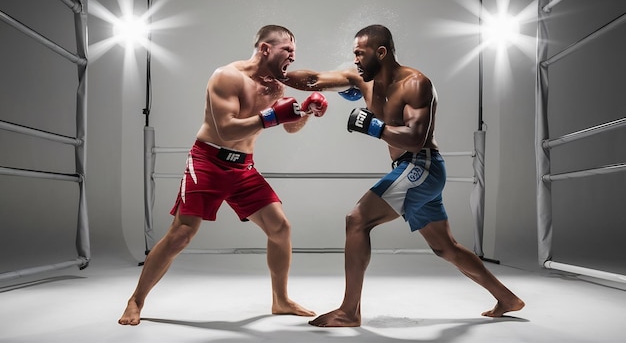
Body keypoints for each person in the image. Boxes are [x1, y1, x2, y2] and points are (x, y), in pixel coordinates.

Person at [284, 24, 524, 327]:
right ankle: (507, 298)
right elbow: (314, 79)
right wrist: (277, 73)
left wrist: (373, 127)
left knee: (357, 220)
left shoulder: (415, 84)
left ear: (380, 52)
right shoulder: (361, 80)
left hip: (421, 166)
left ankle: (348, 311)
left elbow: (415, 139)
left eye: (360, 53)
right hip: (410, 170)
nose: (355, 60)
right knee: (445, 247)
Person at [118, 25, 329, 326]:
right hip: (208, 161)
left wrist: (306, 112)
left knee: (280, 227)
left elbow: (289, 126)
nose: (292, 58)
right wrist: (271, 117)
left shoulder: (276, 88)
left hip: (244, 168)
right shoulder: (227, 76)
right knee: (181, 234)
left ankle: (280, 301)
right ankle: (135, 300)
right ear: (265, 49)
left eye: (294, 52)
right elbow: (225, 128)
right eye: (287, 51)